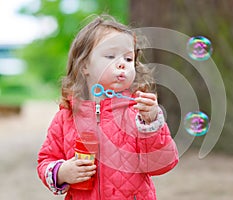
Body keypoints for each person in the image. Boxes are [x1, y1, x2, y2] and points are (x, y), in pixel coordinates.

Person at [37, 14, 178, 200]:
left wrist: (152, 122)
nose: (122, 64)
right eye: (110, 56)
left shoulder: (138, 112)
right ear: (84, 65)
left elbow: (162, 164)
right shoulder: (67, 116)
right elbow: (46, 160)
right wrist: (62, 172)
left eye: (128, 59)